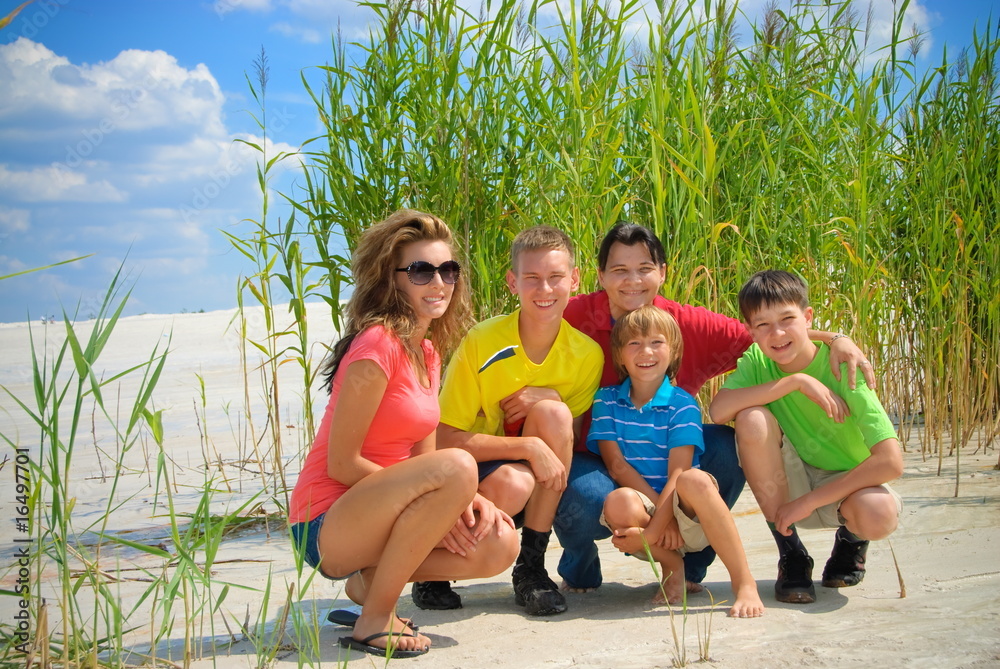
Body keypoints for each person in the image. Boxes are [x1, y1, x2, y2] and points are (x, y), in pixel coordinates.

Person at [554, 222, 876, 593]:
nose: (633, 281)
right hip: (597, 458)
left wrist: (836, 338)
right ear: (600, 276)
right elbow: (527, 333)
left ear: (663, 272)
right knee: (585, 496)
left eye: (644, 269)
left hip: (669, 456)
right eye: (619, 270)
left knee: (724, 444)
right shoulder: (573, 316)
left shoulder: (688, 323)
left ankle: (690, 567)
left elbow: (765, 334)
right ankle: (579, 566)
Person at [288, 210, 519, 659]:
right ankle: (375, 619)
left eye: (448, 269)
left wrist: (462, 502)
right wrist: (440, 494)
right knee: (459, 467)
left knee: (499, 544)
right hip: (327, 521)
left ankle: (369, 583)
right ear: (391, 279)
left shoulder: (426, 352)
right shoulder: (376, 344)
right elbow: (342, 463)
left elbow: (423, 463)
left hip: (386, 512)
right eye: (421, 270)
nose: (439, 282)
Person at [415, 225, 603, 616]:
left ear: (575, 279)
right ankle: (430, 566)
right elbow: (444, 437)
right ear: (512, 282)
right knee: (514, 482)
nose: (545, 290)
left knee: (554, 414)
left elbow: (567, 439)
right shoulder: (483, 341)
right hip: (472, 474)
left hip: (536, 483)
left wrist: (551, 399)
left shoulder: (587, 355)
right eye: (531, 279)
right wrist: (526, 446)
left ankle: (531, 567)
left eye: (555, 278)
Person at [709, 270, 903, 603]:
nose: (778, 333)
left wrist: (809, 502)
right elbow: (718, 411)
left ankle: (851, 541)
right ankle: (792, 555)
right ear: (751, 331)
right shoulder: (758, 359)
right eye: (763, 325)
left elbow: (891, 461)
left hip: (848, 485)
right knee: (751, 418)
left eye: (788, 319)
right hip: (793, 478)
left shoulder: (841, 364)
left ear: (808, 317)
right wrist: (794, 381)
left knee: (879, 513)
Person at [591, 306, 764, 617]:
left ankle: (744, 582)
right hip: (645, 519)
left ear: (673, 352)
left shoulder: (682, 403)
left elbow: (679, 471)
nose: (646, 351)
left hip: (687, 515)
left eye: (657, 342)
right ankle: (673, 567)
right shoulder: (605, 400)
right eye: (633, 343)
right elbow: (617, 465)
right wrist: (659, 521)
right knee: (618, 502)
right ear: (619, 355)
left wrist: (665, 522)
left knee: (694, 480)